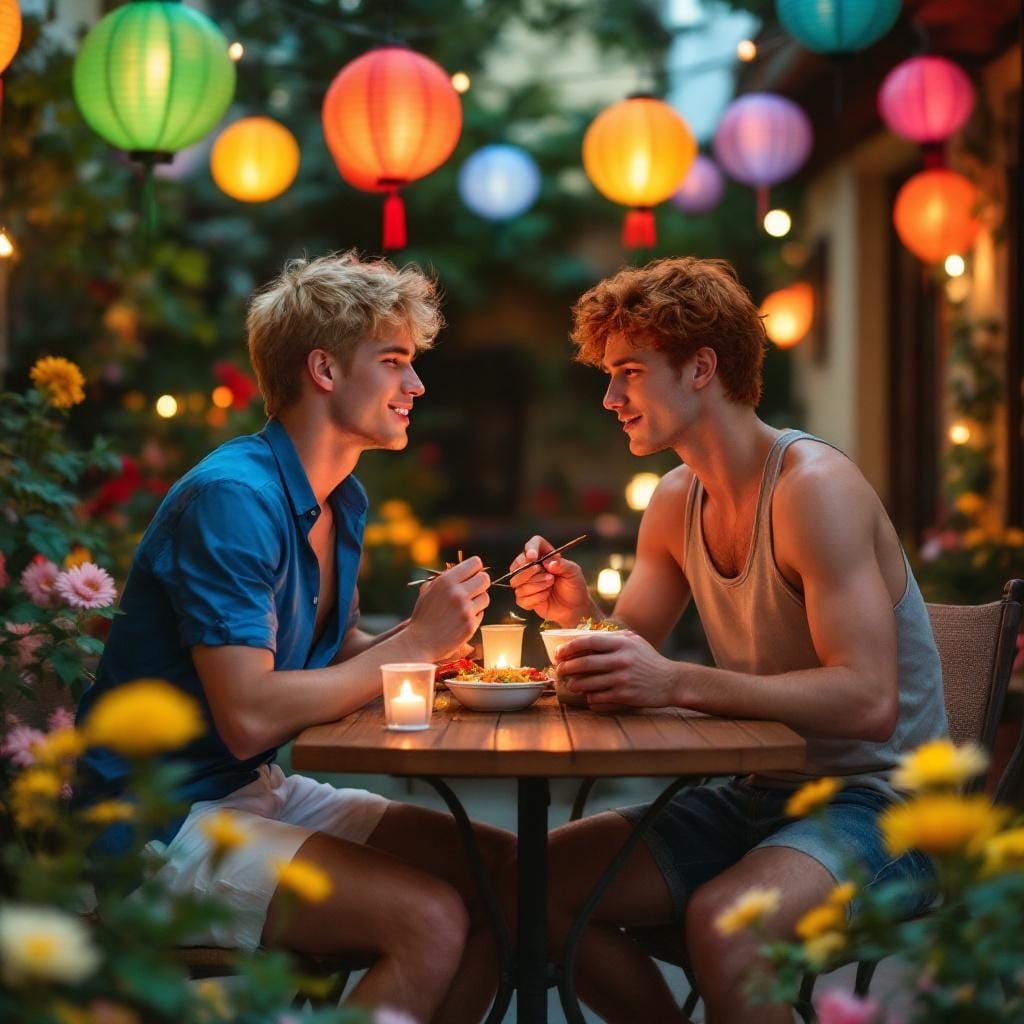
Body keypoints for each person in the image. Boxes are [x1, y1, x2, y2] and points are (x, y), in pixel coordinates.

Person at [507, 257, 948, 1023]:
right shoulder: (676, 500)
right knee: (529, 884)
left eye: (630, 373)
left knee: (726, 927)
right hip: (758, 793)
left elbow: (869, 700)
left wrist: (676, 682)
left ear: (701, 367)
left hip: (886, 808)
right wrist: (575, 616)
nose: (611, 398)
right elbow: (620, 658)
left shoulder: (815, 489)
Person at [77, 252, 512, 1023]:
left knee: (503, 878)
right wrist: (412, 643)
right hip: (156, 823)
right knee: (428, 918)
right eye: (394, 362)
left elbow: (335, 648)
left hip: (255, 792)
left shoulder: (338, 496)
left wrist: (445, 652)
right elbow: (248, 711)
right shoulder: (234, 499)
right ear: (324, 369)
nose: (415, 386)